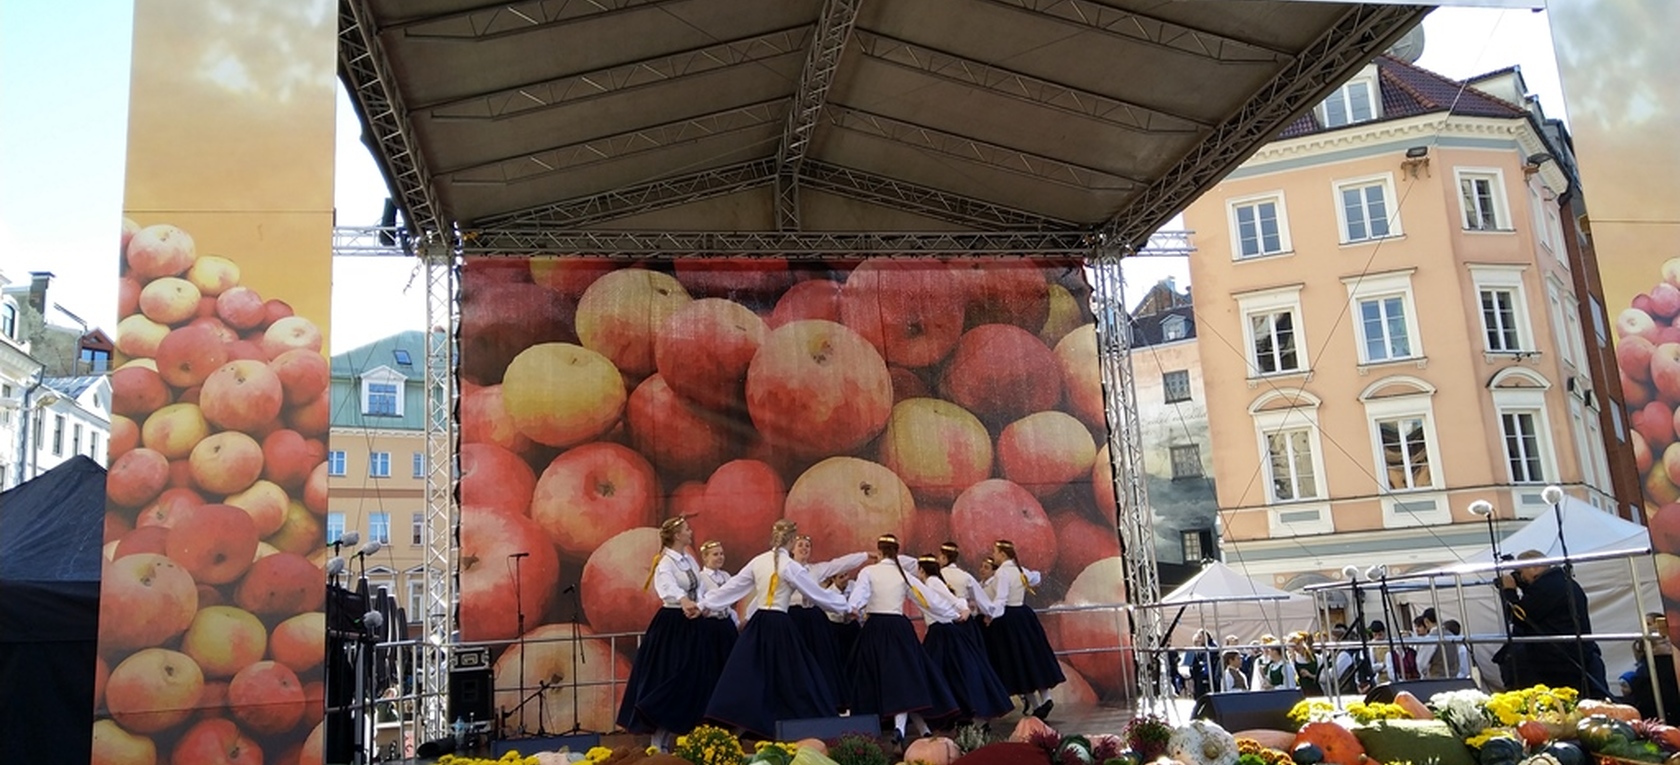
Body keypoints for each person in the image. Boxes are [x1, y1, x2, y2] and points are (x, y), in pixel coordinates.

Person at [697, 519, 852, 738]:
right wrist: (845, 606)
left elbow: (734, 588)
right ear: (790, 540)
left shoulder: (759, 561)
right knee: (795, 675)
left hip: (760, 623)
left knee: (751, 672)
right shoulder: (791, 567)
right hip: (779, 624)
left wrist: (704, 604)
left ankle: (740, 728)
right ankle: (804, 727)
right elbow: (816, 594)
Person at [844, 537, 960, 742]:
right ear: (896, 553)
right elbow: (926, 598)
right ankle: (910, 729)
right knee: (905, 677)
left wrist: (853, 607)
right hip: (899, 628)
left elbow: (860, 593)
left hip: (875, 628)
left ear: (879, 552)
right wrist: (953, 611)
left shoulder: (869, 572)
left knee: (874, 677)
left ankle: (890, 730)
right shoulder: (903, 575)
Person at [616, 518, 717, 751]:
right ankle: (658, 738)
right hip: (672, 624)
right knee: (671, 677)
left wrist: (702, 604)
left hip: (693, 623)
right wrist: (683, 600)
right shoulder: (665, 563)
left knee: (693, 678)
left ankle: (674, 734)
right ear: (676, 535)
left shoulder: (689, 559)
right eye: (686, 530)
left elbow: (699, 585)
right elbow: (667, 587)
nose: (690, 532)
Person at [1498, 549, 1610, 698]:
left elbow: (1520, 618)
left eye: (1521, 571)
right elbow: (1540, 608)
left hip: (1557, 662)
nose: (1522, 577)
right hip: (1575, 656)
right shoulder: (1563, 582)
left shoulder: (1546, 586)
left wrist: (1509, 592)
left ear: (1534, 567)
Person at [914, 555, 1012, 723]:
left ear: (922, 570)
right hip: (939, 631)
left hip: (942, 631)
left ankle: (958, 712)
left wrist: (963, 609)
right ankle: (955, 713)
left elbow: (951, 599)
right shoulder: (932, 582)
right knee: (947, 673)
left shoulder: (933, 582)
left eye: (919, 569)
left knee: (944, 672)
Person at [981, 540, 1063, 719]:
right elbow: (1036, 577)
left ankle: (1036, 704)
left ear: (1003, 554)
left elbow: (1001, 598)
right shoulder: (1019, 570)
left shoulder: (1002, 573)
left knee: (1015, 661)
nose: (993, 555)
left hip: (1008, 619)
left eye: (995, 552)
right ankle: (1044, 700)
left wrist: (991, 616)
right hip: (1024, 615)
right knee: (1031, 656)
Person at [1178, 629, 1220, 699]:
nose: (1198, 642)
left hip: (1208, 674)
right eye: (1196, 641)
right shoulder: (1193, 651)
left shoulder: (1211, 647)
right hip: (1196, 674)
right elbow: (1187, 663)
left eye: (1200, 638)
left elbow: (1206, 660)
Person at [1286, 631, 1322, 695]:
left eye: (1298, 643)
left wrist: (1310, 675)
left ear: (1302, 642)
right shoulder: (1293, 661)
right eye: (1293, 646)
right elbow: (1292, 678)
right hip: (1302, 694)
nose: (1297, 647)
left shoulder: (1316, 658)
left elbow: (1325, 677)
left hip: (1317, 692)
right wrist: (1292, 660)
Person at [1366, 621, 1396, 687]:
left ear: (1384, 632)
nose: (1378, 637)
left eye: (1380, 634)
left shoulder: (1391, 642)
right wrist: (1383, 665)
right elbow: (1372, 667)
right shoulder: (1372, 646)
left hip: (1394, 676)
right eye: (1375, 635)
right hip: (1381, 679)